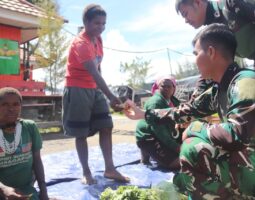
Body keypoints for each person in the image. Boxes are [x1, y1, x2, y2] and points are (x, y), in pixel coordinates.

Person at [123, 24, 255, 199]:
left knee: (194, 148)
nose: (195, 60)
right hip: (254, 165)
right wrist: (143, 114)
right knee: (183, 180)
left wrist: (195, 128)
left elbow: (236, 135)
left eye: (196, 54)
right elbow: (185, 111)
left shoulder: (246, 82)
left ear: (211, 52)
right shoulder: (221, 89)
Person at [175, 0, 255, 138]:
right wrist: (194, 100)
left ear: (197, 2)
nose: (186, 20)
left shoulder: (232, 3)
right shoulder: (214, 29)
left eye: (185, 14)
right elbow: (214, 65)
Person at [62, 4, 129, 185]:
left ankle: (110, 168)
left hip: (94, 88)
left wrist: (103, 91)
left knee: (106, 125)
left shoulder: (98, 40)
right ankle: (86, 172)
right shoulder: (81, 43)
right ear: (86, 22)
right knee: (81, 133)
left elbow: (99, 68)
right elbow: (93, 71)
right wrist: (111, 96)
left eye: (103, 24)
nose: (101, 28)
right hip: (77, 89)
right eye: (96, 23)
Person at [0, 87, 49, 200]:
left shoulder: (29, 127)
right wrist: (4, 189)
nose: (11, 109)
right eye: (5, 104)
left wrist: (43, 191)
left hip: (25, 190)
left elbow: (37, 160)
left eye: (16, 104)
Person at [136, 76, 182, 169]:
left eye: (169, 86)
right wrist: (178, 148)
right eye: (163, 86)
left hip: (165, 133)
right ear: (158, 87)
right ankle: (147, 151)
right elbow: (159, 131)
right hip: (149, 136)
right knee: (176, 163)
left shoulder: (173, 101)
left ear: (174, 88)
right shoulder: (155, 103)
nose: (166, 89)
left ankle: (149, 155)